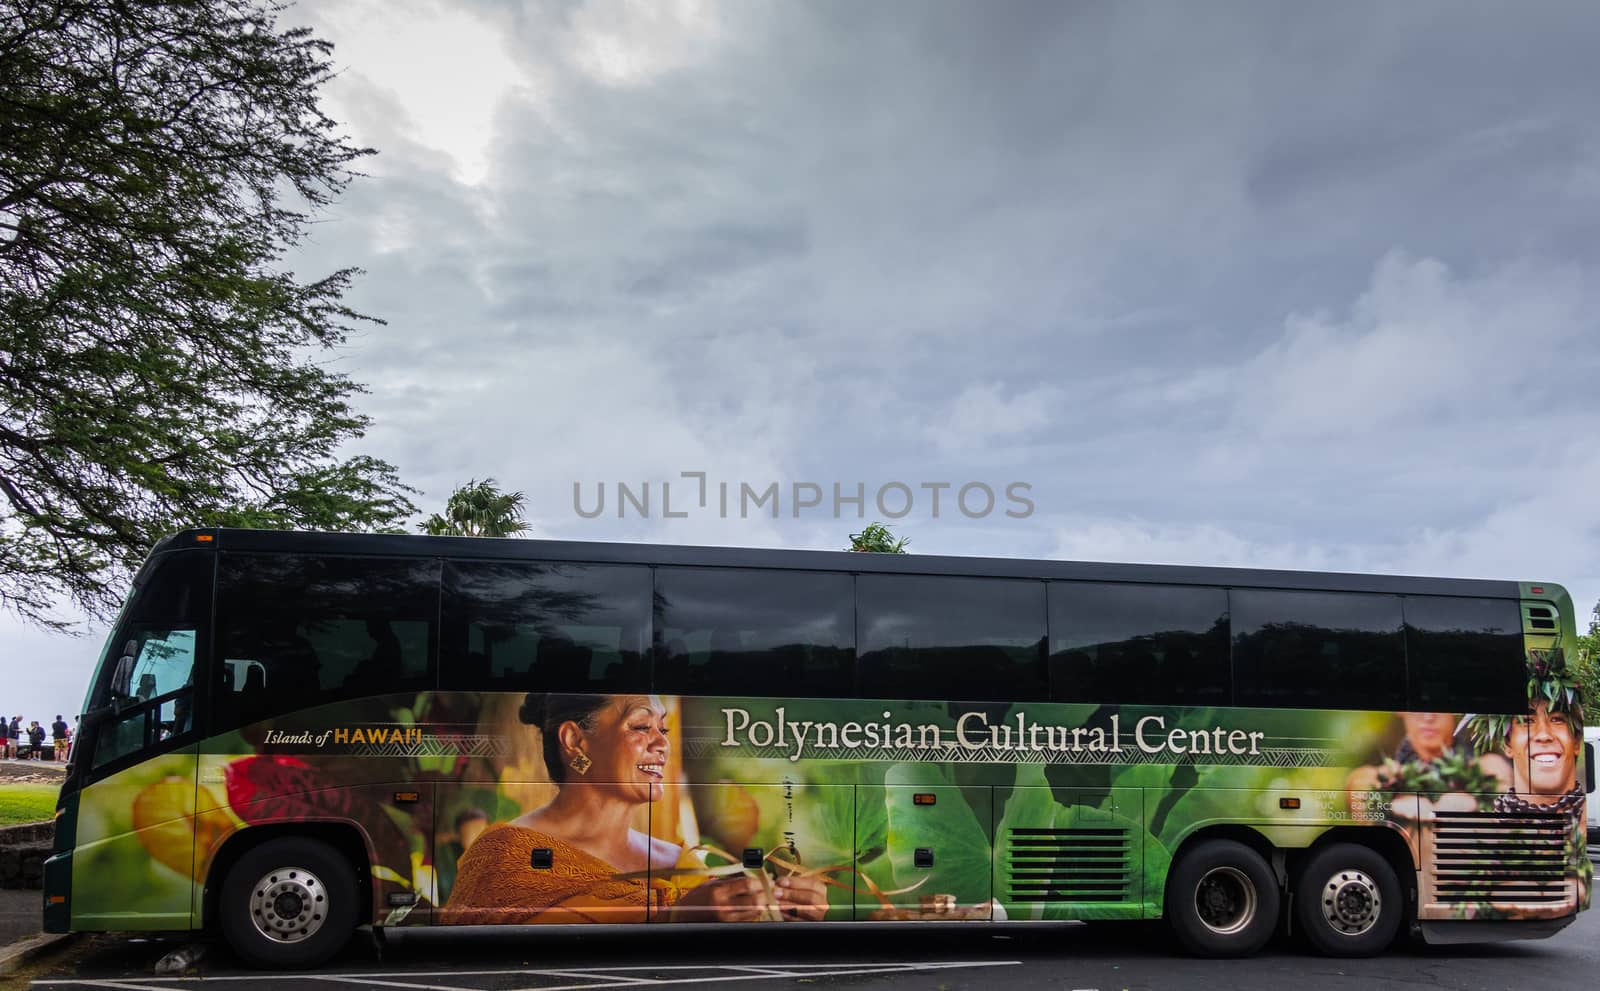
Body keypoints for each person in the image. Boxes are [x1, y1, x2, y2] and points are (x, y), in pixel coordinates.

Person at [444, 693, 828, 924]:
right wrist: (672, 918)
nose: (662, 744)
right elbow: (477, 965)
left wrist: (785, 914)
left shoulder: (681, 861)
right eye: (641, 727)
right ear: (575, 740)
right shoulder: (502, 856)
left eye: (664, 729)